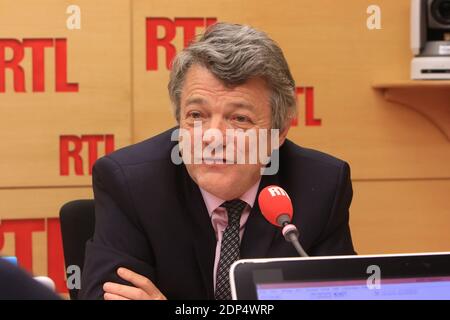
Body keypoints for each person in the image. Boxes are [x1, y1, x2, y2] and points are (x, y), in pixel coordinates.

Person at [79, 22, 355, 300]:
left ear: (279, 132)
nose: (213, 137)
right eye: (196, 116)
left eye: (239, 119)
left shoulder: (321, 187)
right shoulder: (131, 184)